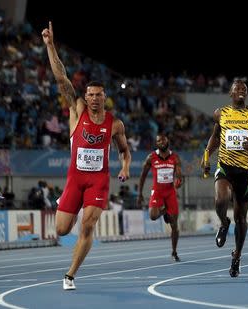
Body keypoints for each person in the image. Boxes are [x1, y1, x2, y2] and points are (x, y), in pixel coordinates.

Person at [42, 22, 131, 290]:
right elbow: (61, 79)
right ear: (85, 96)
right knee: (61, 230)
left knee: (89, 225)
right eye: (90, 94)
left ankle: (70, 275)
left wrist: (125, 167)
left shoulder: (115, 124)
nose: (94, 98)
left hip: (98, 181)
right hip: (75, 178)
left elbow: (125, 152)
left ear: (105, 98)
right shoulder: (77, 110)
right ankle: (69, 206)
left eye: (98, 95)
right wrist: (50, 46)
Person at [201, 78, 248, 277]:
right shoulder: (220, 113)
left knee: (241, 218)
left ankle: (237, 257)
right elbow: (215, 137)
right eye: (237, 88)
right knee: (221, 199)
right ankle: (224, 223)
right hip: (225, 166)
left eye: (244, 88)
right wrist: (206, 155)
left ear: (246, 94)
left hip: (245, 172)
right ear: (231, 94)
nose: (241, 90)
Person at [137, 134, 183, 262]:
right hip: (157, 191)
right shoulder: (151, 157)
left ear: (168, 141)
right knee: (152, 216)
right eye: (158, 141)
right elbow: (142, 176)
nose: (161, 142)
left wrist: (179, 180)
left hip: (170, 192)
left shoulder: (175, 157)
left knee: (174, 225)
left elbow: (179, 175)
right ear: (156, 143)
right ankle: (165, 212)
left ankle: (174, 251)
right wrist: (140, 193)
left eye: (163, 140)